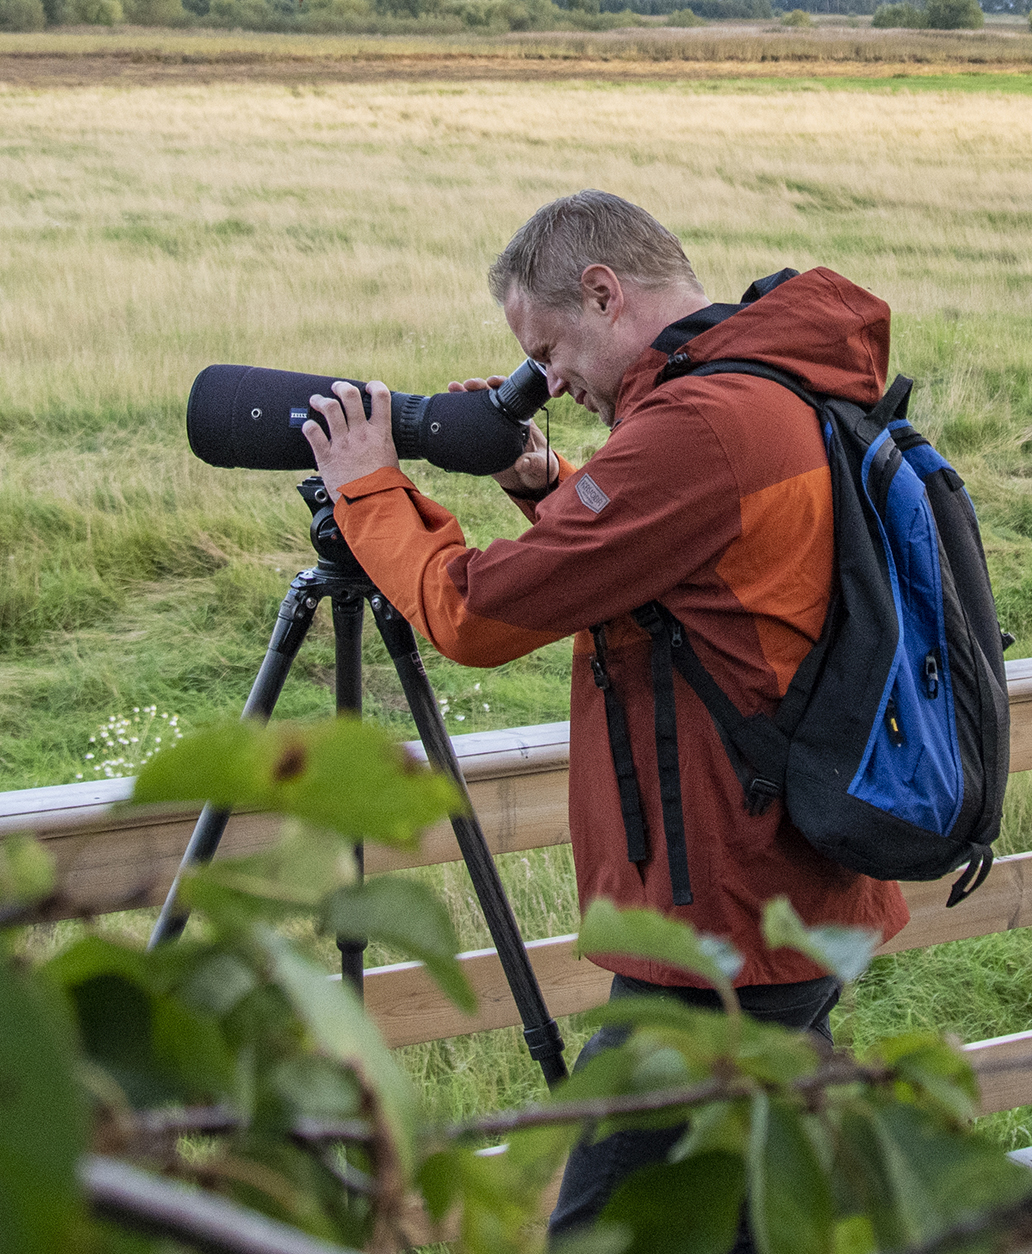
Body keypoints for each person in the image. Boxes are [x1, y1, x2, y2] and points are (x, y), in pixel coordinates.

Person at [295, 190, 910, 1236]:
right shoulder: (769, 387)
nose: (550, 385)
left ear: (602, 291)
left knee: (604, 1228)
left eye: (548, 350)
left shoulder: (701, 426)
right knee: (758, 1208)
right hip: (797, 886)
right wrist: (542, 479)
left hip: (721, 913)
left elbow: (475, 613)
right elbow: (687, 567)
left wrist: (369, 493)